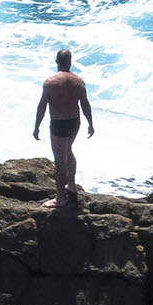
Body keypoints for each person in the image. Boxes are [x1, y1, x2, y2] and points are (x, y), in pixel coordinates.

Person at [32, 49, 94, 208]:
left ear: (56, 61)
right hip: (75, 122)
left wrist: (37, 127)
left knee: (60, 160)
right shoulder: (78, 81)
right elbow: (85, 104)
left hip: (59, 123)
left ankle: (60, 198)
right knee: (68, 151)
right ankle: (71, 185)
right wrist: (90, 123)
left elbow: (42, 106)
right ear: (70, 62)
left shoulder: (50, 82)